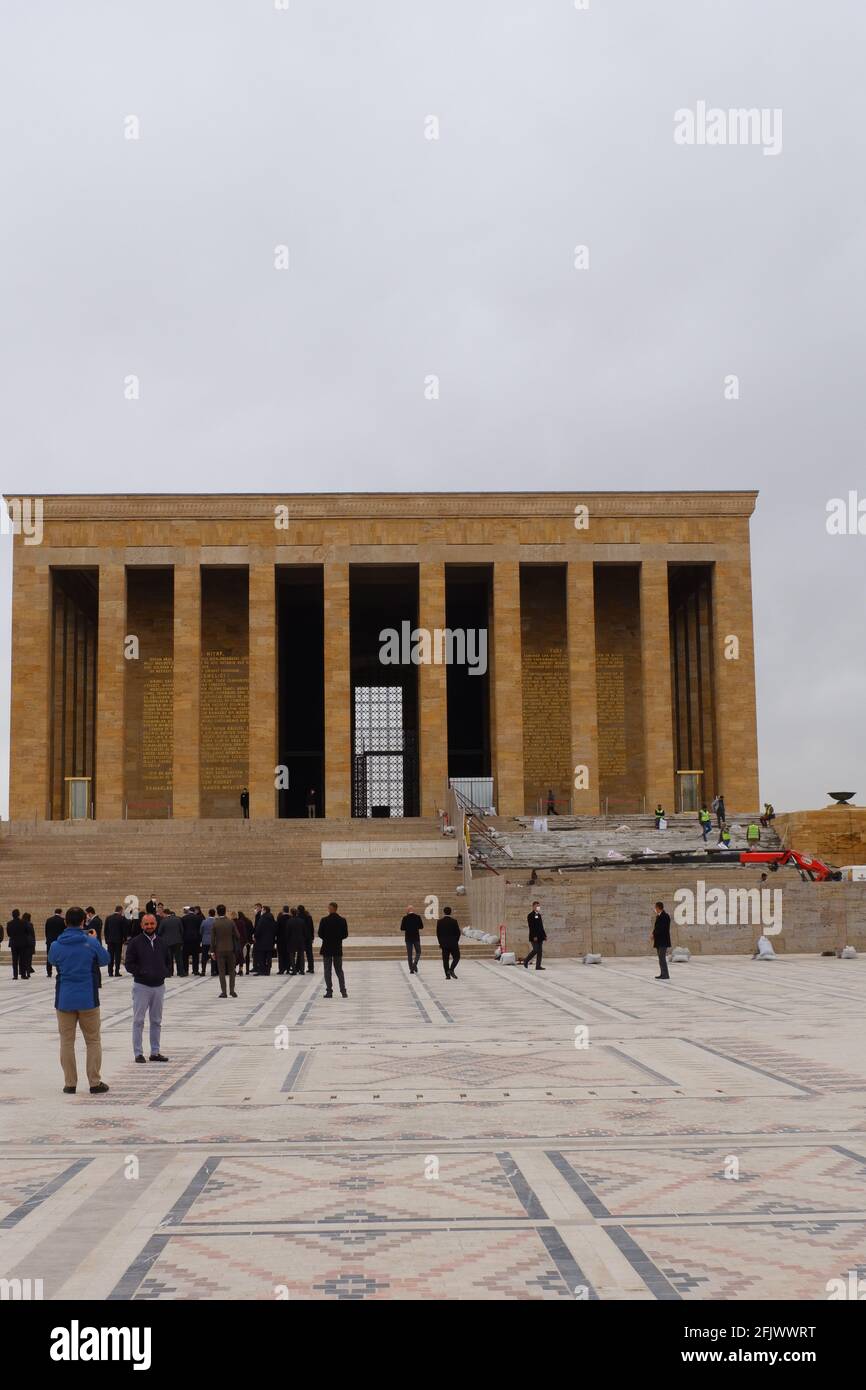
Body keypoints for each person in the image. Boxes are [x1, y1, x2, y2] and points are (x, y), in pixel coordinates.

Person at [47, 906, 111, 1094]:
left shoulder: (56, 945)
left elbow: (52, 961)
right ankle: (94, 1081)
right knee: (92, 1040)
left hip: (65, 999)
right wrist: (94, 940)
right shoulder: (90, 943)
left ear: (66, 922)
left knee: (66, 1041)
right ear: (84, 921)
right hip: (88, 999)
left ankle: (70, 1083)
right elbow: (105, 960)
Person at [124, 912, 171, 1062]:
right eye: (146, 924)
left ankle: (155, 1052)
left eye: (152, 924)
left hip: (159, 986)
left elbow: (168, 960)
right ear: (141, 925)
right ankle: (138, 1053)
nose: (149, 926)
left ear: (156, 924)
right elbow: (129, 963)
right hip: (141, 986)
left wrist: (165, 972)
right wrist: (142, 972)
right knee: (138, 1020)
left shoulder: (162, 942)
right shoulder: (135, 942)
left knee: (156, 1020)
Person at [318, 902, 348, 998]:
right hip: (337, 948)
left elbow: (320, 934)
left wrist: (327, 938)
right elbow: (345, 934)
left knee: (327, 970)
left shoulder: (324, 920)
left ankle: (329, 991)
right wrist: (337, 939)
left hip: (327, 948)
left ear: (332, 908)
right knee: (339, 970)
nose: (328, 909)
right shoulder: (342, 920)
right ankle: (343, 991)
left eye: (329, 908)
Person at [212, 905, 240, 997]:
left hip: (219, 950)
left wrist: (212, 951)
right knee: (232, 971)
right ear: (225, 911)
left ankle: (224, 992)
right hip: (230, 949)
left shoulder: (215, 923)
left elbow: (212, 939)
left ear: (217, 912)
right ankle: (232, 991)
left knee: (222, 972)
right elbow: (237, 935)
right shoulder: (230, 922)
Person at [436, 906, 461, 979]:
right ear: (451, 912)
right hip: (453, 943)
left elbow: (438, 934)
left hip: (444, 944)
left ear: (444, 912)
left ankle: (447, 975)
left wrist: (440, 943)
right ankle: (451, 969)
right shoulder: (454, 921)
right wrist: (456, 941)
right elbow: (458, 933)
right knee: (457, 957)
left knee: (445, 960)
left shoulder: (440, 921)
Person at [157, 908, 184, 976]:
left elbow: (159, 932)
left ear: (165, 913)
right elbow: (182, 930)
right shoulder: (178, 919)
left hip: (167, 942)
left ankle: (169, 972)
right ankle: (181, 972)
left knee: (169, 958)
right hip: (177, 941)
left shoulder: (163, 921)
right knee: (179, 958)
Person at [7, 909, 31, 980]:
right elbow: (27, 932)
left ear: (12, 915)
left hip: (13, 943)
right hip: (22, 943)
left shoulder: (9, 923)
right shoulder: (24, 922)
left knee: (14, 960)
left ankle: (15, 975)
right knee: (22, 959)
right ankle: (23, 975)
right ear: (19, 914)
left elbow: (9, 934)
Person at [104, 905, 128, 978]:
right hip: (118, 940)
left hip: (110, 941)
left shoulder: (108, 918)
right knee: (117, 956)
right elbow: (124, 930)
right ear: (120, 911)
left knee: (110, 956)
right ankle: (117, 971)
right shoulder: (122, 918)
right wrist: (125, 939)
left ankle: (110, 972)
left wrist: (107, 940)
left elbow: (105, 930)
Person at [522, 901, 546, 970]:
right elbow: (531, 927)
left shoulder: (539, 915)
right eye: (537, 906)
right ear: (533, 907)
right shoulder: (530, 915)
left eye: (539, 906)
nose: (538, 907)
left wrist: (544, 935)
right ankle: (526, 960)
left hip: (540, 936)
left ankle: (538, 966)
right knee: (535, 950)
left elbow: (541, 926)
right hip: (534, 936)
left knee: (540, 951)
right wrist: (534, 936)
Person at [252, 907, 276, 975]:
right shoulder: (272, 918)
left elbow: (259, 929)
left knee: (261, 956)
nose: (261, 911)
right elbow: (274, 929)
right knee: (268, 956)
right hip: (270, 941)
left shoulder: (262, 919)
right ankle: (268, 970)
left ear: (265, 911)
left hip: (262, 941)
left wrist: (255, 936)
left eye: (262, 910)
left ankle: (262, 970)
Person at [400, 905, 423, 973]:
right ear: (413, 910)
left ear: (408, 910)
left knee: (409, 954)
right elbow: (421, 926)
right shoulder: (417, 917)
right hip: (416, 937)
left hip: (408, 938)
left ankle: (411, 969)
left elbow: (402, 928)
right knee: (418, 952)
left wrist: (408, 927)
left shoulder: (405, 918)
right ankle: (415, 964)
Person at [652, 901, 671, 980]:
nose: (655, 909)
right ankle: (663, 973)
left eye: (655, 907)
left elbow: (662, 928)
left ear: (658, 908)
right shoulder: (659, 916)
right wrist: (653, 933)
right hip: (659, 941)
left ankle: (665, 975)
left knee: (662, 958)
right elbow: (656, 927)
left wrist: (654, 934)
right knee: (660, 958)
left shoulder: (665, 916)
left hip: (663, 941)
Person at [181, 906, 202, 975]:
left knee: (185, 956)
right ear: (194, 911)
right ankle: (195, 970)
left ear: (189, 911)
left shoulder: (184, 918)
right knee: (195, 956)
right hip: (195, 939)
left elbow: (182, 929)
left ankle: (185, 970)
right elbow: (200, 929)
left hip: (186, 939)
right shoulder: (198, 918)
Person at [45, 908, 66, 977]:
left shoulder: (49, 920)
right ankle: (60, 971)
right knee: (60, 956)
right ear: (61, 913)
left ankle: (49, 972)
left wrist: (48, 938)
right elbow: (64, 931)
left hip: (50, 941)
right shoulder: (62, 920)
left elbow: (46, 931)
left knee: (49, 956)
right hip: (60, 941)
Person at [287, 908, 306, 975]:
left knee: (292, 956)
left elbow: (288, 932)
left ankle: (294, 970)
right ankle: (302, 970)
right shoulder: (302, 921)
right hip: (300, 940)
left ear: (291, 913)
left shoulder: (289, 921)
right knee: (301, 955)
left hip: (292, 940)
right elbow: (304, 932)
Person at [297, 904, 315, 974]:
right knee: (309, 953)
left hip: (301, 937)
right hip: (308, 937)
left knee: (300, 953)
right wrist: (312, 937)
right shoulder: (308, 917)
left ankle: (299, 967)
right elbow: (312, 928)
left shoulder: (298, 917)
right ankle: (311, 968)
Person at [276, 905, 292, 974]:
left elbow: (277, 929)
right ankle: (288, 969)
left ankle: (281, 969)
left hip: (280, 940)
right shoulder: (291, 918)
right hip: (289, 940)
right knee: (288, 954)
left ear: (283, 910)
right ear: (288, 910)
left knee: (281, 955)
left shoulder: (280, 918)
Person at [19, 913, 36, 978]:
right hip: (29, 944)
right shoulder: (30, 924)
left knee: (22, 958)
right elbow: (32, 934)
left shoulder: (20, 923)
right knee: (29, 959)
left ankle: (21, 971)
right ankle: (28, 972)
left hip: (22, 943)